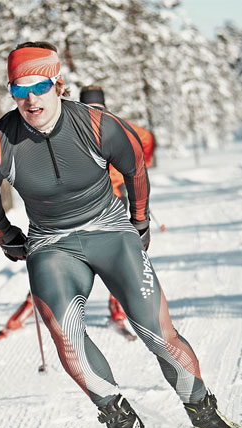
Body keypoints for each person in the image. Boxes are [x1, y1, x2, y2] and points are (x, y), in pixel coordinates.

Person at [0, 41, 242, 428]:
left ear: (58, 84)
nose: (30, 99)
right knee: (67, 335)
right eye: (19, 90)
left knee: (157, 331)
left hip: (110, 230)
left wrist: (140, 221)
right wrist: (5, 235)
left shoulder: (98, 125)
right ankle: (123, 422)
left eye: (39, 87)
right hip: (51, 243)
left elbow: (135, 166)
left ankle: (203, 413)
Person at [79, 85, 155, 324]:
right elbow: (146, 138)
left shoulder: (73, 125)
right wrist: (136, 166)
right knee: (119, 253)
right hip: (115, 197)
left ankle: (55, 304)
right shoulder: (117, 124)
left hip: (80, 201)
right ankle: (117, 304)